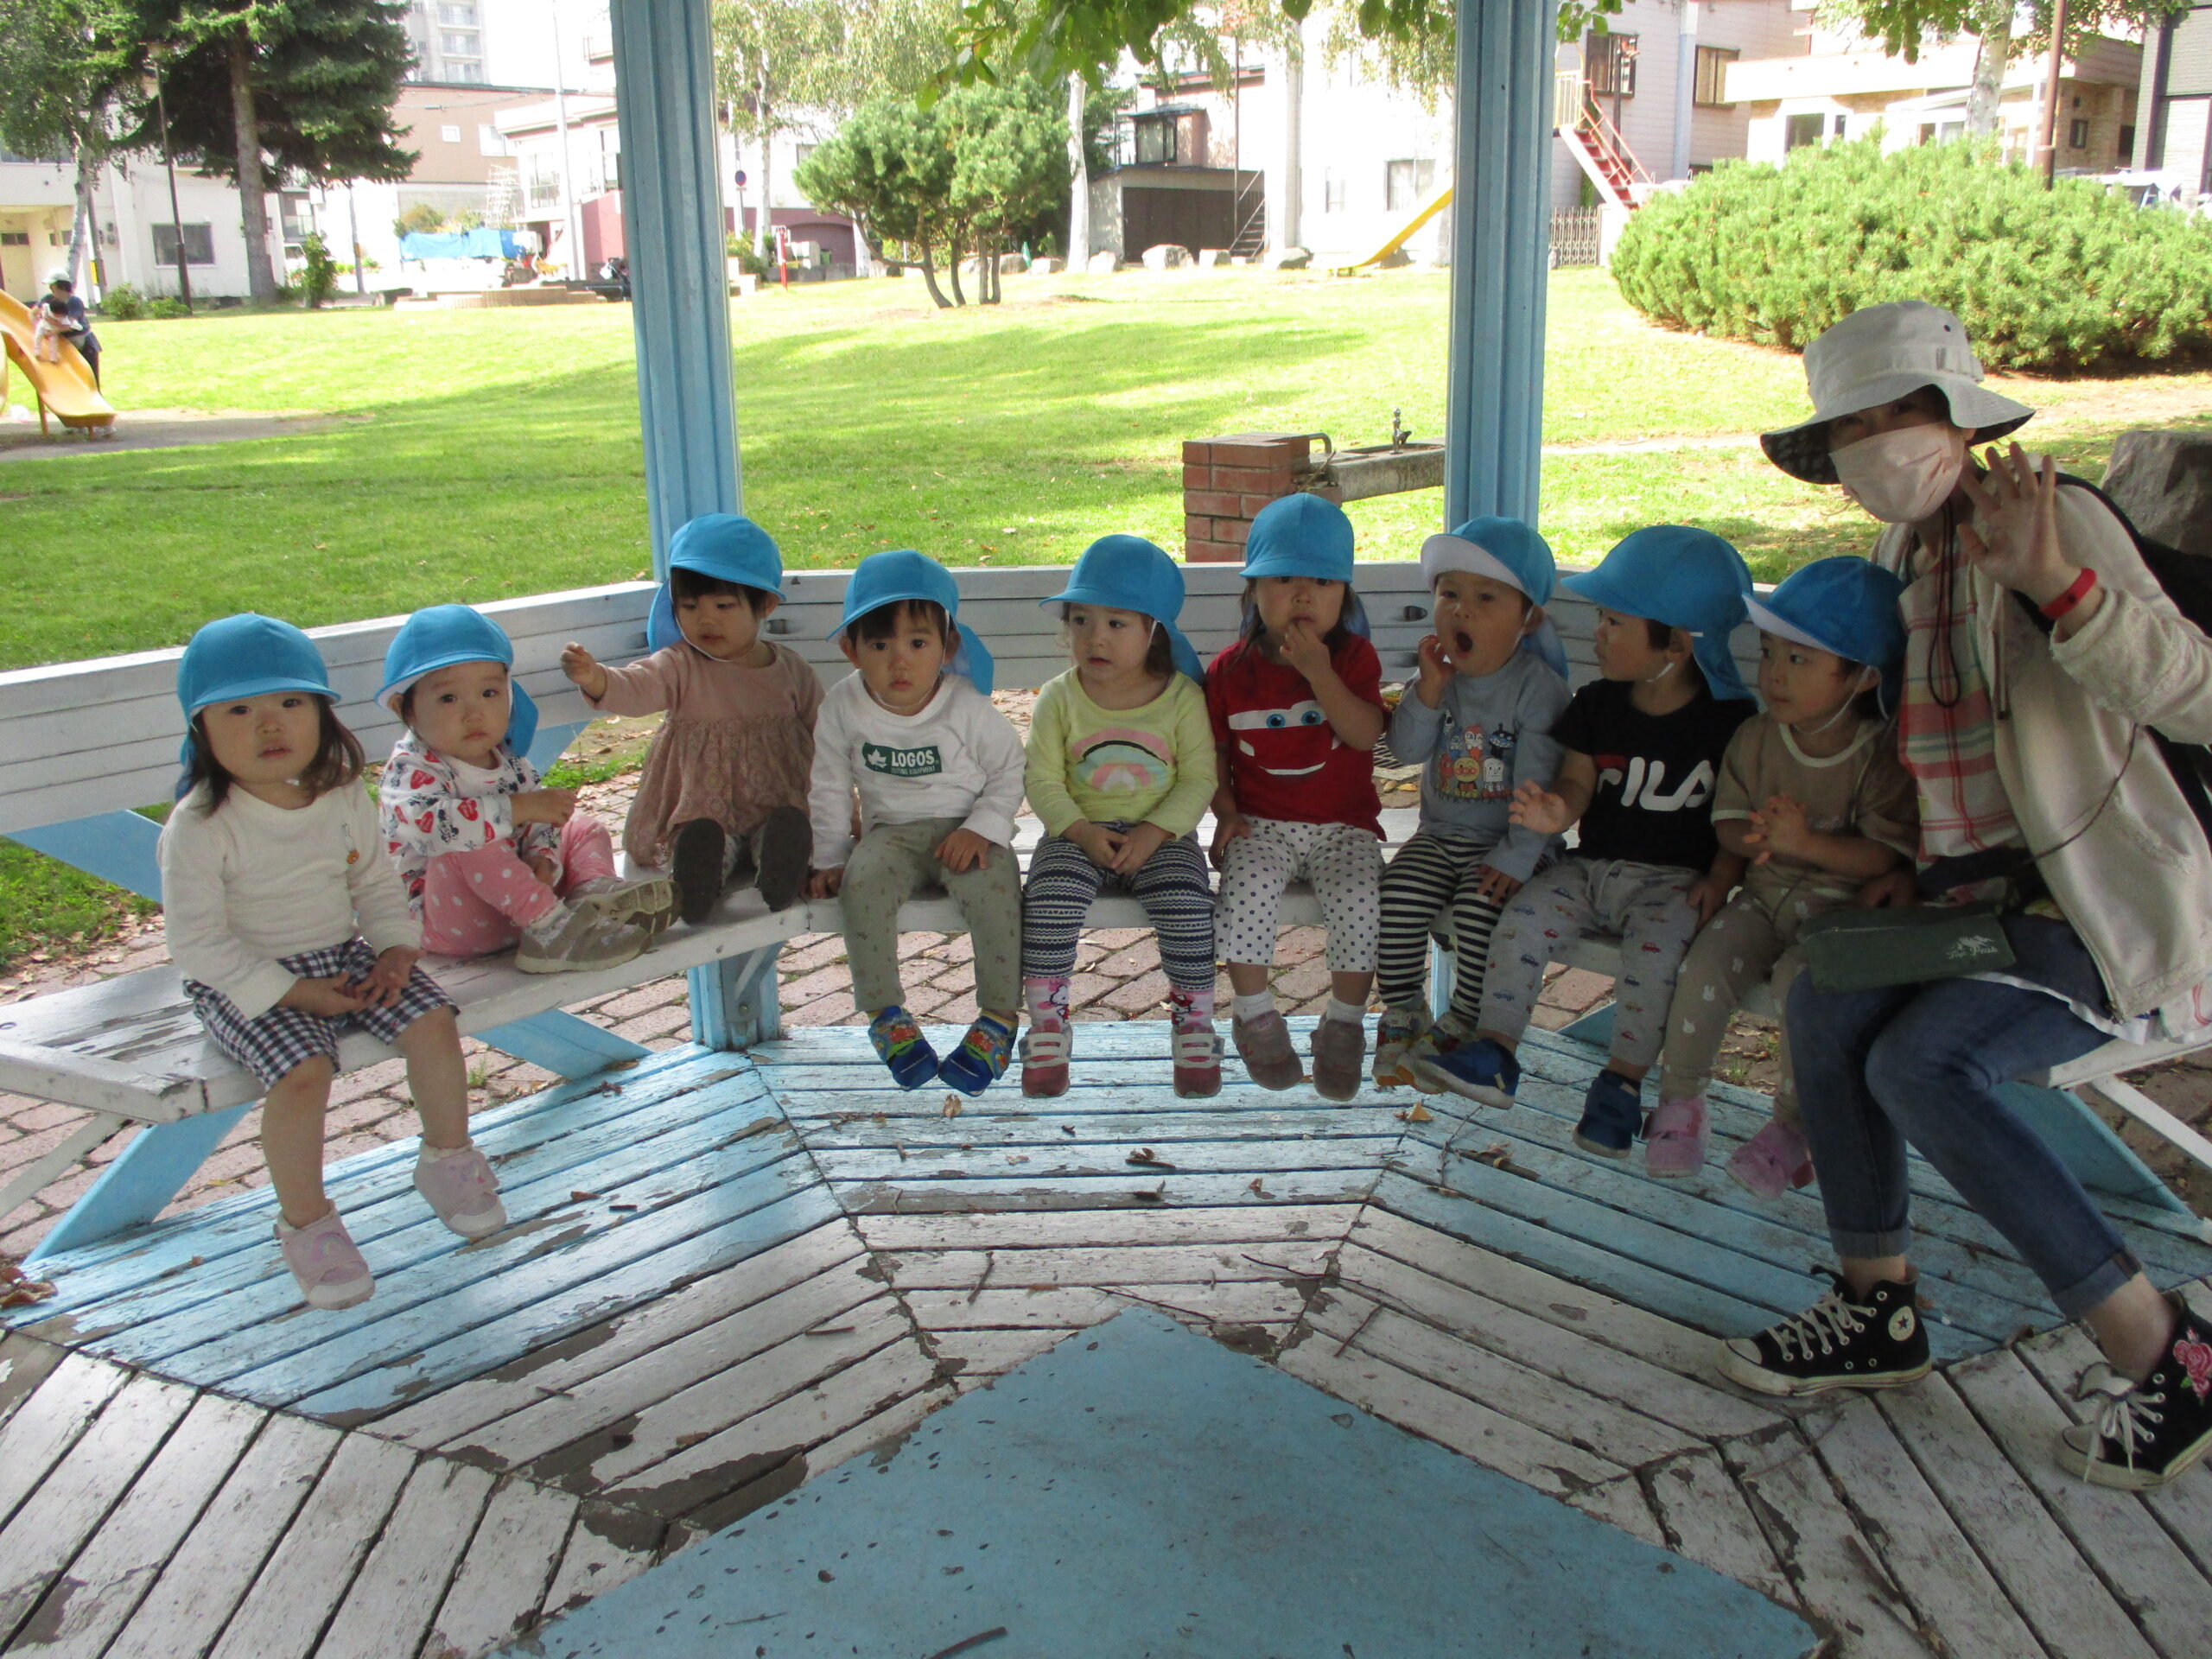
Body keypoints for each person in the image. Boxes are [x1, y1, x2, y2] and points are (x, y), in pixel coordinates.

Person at [1718, 299, 2212, 1493]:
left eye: (1900, 412)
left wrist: (2058, 589)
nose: (1880, 442)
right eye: (1853, 426)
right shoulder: (1906, 555)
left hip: (2092, 905)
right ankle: (1877, 1305)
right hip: (1969, 904)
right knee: (1830, 1004)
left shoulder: (2057, 518)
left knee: (1920, 1066)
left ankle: (2167, 1352)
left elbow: (2192, 692)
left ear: (1954, 415)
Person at [159, 614, 505, 1311]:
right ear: (202, 730)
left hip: (344, 953)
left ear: (321, 714)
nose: (269, 726)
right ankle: (308, 1225)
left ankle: (447, 1158)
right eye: (239, 711)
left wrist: (395, 949)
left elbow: (374, 886)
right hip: (241, 973)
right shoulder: (200, 826)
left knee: (433, 1019)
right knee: (304, 1072)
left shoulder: (341, 794)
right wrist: (292, 994)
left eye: (291, 704)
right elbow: (198, 944)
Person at [1421, 527, 1757, 1160]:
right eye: (1601, 617)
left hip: (1674, 881)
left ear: (1676, 646)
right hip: (1591, 867)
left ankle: (1621, 1086)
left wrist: (1723, 873)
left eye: (1615, 622)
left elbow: (1738, 811)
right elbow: (1576, 780)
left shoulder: (1729, 723)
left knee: (1655, 960)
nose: (1597, 631)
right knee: (1520, 921)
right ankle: (1495, 1051)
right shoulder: (1598, 704)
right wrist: (1555, 813)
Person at [1650, 557, 1917, 1186]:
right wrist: (1759, 837)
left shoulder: (1880, 753)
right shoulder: (1756, 737)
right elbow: (1727, 823)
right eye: (1769, 652)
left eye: (1799, 660)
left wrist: (1807, 843)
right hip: (1763, 898)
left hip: (1841, 915)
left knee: (1806, 986)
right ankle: (1681, 1103)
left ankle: (1795, 1128)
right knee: (1707, 959)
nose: (1773, 673)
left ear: (1861, 677)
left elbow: (1885, 854)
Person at [805, 551, 1027, 1093]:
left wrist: (985, 826)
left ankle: (998, 1019)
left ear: (947, 646)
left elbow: (1010, 768)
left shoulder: (965, 706)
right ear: (850, 649)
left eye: (918, 643)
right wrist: (831, 858)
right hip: (890, 836)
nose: (899, 662)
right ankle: (886, 1016)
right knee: (862, 886)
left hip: (966, 830)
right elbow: (831, 785)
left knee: (997, 890)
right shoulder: (843, 706)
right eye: (880, 645)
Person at [1020, 536, 1220, 1099]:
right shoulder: (1059, 698)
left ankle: (1194, 1027)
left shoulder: (1180, 699)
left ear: (1153, 629)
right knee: (1049, 900)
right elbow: (1042, 779)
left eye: (1116, 624)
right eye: (1080, 620)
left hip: (1163, 836)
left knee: (1187, 903)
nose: (1094, 637)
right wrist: (1081, 831)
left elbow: (1199, 777)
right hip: (1076, 833)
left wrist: (1158, 832)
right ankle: (1048, 1030)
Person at [1374, 517, 1570, 1090]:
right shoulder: (1441, 679)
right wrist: (1427, 691)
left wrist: (1515, 858)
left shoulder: (1539, 690)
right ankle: (1405, 1012)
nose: (1461, 611)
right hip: (1440, 836)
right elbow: (1404, 749)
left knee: (1479, 908)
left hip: (1513, 846)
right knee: (1396, 895)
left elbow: (1539, 791)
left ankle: (1466, 1020)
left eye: (1486, 598)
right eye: (1449, 594)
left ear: (1528, 618)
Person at [1208, 495, 1391, 1101]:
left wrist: (1320, 673)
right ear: (1254, 592)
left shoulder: (1353, 658)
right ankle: (1256, 1015)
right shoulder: (1230, 673)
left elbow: (1365, 733)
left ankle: (1343, 1026)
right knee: (1245, 888)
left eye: (1322, 581)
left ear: (1346, 595)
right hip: (1262, 822)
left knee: (1362, 897)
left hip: (1344, 826)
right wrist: (1227, 812)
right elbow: (1213, 753)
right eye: (1284, 579)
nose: (1304, 596)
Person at [378, 604, 670, 972]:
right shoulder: (412, 769)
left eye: (489, 693)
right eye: (449, 698)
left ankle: (592, 896)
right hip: (447, 923)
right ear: (406, 710)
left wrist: (543, 857)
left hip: (518, 905)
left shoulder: (507, 760)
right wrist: (519, 808)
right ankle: (552, 933)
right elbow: (430, 827)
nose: (474, 713)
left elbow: (540, 823)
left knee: (581, 826)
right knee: (468, 839)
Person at [561, 513, 821, 924]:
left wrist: (846, 802)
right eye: (689, 606)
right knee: (700, 835)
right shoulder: (679, 665)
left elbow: (823, 729)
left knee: (788, 826)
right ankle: (697, 880)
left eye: (723, 605)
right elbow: (636, 687)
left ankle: (778, 866)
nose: (705, 619)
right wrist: (596, 679)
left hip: (777, 798)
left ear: (765, 605)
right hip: (704, 804)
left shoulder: (790, 670)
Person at [36, 276, 98, 387]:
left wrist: (52, 327)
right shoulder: (49, 299)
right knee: (71, 380)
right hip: (63, 345)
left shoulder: (74, 301)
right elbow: (34, 312)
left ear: (63, 287)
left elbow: (70, 325)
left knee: (89, 379)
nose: (51, 289)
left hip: (83, 344)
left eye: (53, 286)